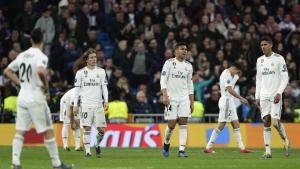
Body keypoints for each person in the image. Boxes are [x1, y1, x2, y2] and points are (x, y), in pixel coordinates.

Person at [4, 28, 72, 169]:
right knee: (48, 130)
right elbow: (41, 71)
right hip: (36, 98)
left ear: (30, 40)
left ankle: (15, 163)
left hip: (22, 97)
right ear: (43, 40)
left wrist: (20, 83)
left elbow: (7, 71)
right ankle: (56, 164)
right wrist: (45, 86)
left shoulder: (22, 55)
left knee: (20, 131)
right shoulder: (41, 56)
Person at [203, 63, 253, 154]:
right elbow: (229, 90)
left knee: (236, 124)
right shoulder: (226, 75)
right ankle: (208, 147)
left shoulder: (232, 74)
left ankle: (242, 148)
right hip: (226, 101)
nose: (237, 74)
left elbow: (237, 78)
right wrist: (241, 98)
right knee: (222, 124)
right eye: (236, 72)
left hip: (230, 101)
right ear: (233, 69)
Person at [255, 36, 290, 158]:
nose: (263, 47)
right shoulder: (260, 60)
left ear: (271, 45)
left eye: (265, 44)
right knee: (266, 122)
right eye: (261, 45)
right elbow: (258, 79)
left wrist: (279, 92)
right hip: (263, 95)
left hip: (275, 94)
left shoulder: (279, 59)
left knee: (275, 123)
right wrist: (257, 96)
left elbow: (285, 78)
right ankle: (268, 152)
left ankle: (285, 140)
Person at [73, 48, 108, 158]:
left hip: (98, 105)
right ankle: (88, 152)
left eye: (95, 57)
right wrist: (75, 105)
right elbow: (77, 90)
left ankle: (97, 144)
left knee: (101, 130)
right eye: (91, 57)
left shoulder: (101, 71)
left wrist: (106, 101)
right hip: (86, 105)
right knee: (87, 128)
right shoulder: (80, 73)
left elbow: (104, 87)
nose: (94, 59)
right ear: (86, 60)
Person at [160, 42, 194, 157]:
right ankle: (166, 143)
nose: (185, 51)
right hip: (171, 98)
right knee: (171, 125)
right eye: (182, 49)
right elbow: (163, 80)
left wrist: (192, 101)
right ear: (176, 51)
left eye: (186, 49)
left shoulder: (189, 66)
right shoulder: (169, 63)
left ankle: (181, 151)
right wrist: (164, 95)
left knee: (183, 123)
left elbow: (190, 85)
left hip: (184, 98)